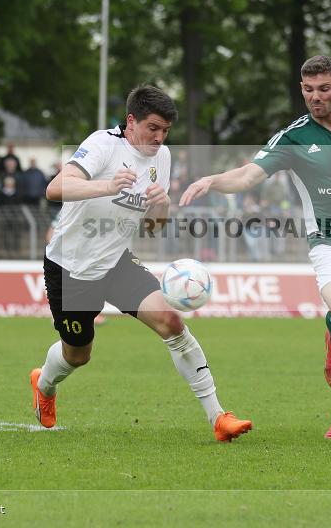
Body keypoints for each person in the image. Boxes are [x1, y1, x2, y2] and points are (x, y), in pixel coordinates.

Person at [180, 55, 331, 439]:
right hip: (330, 243)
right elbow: (248, 175)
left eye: (323, 89)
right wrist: (213, 180)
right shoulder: (294, 137)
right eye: (308, 90)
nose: (315, 97)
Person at [34, 85, 252, 442]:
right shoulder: (103, 145)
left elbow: (153, 227)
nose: (159, 137)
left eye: (165, 130)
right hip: (69, 269)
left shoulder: (161, 156)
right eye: (153, 128)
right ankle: (44, 384)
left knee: (171, 321)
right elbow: (55, 188)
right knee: (77, 355)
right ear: (131, 121)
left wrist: (162, 206)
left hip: (117, 262)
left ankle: (218, 417)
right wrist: (108, 186)